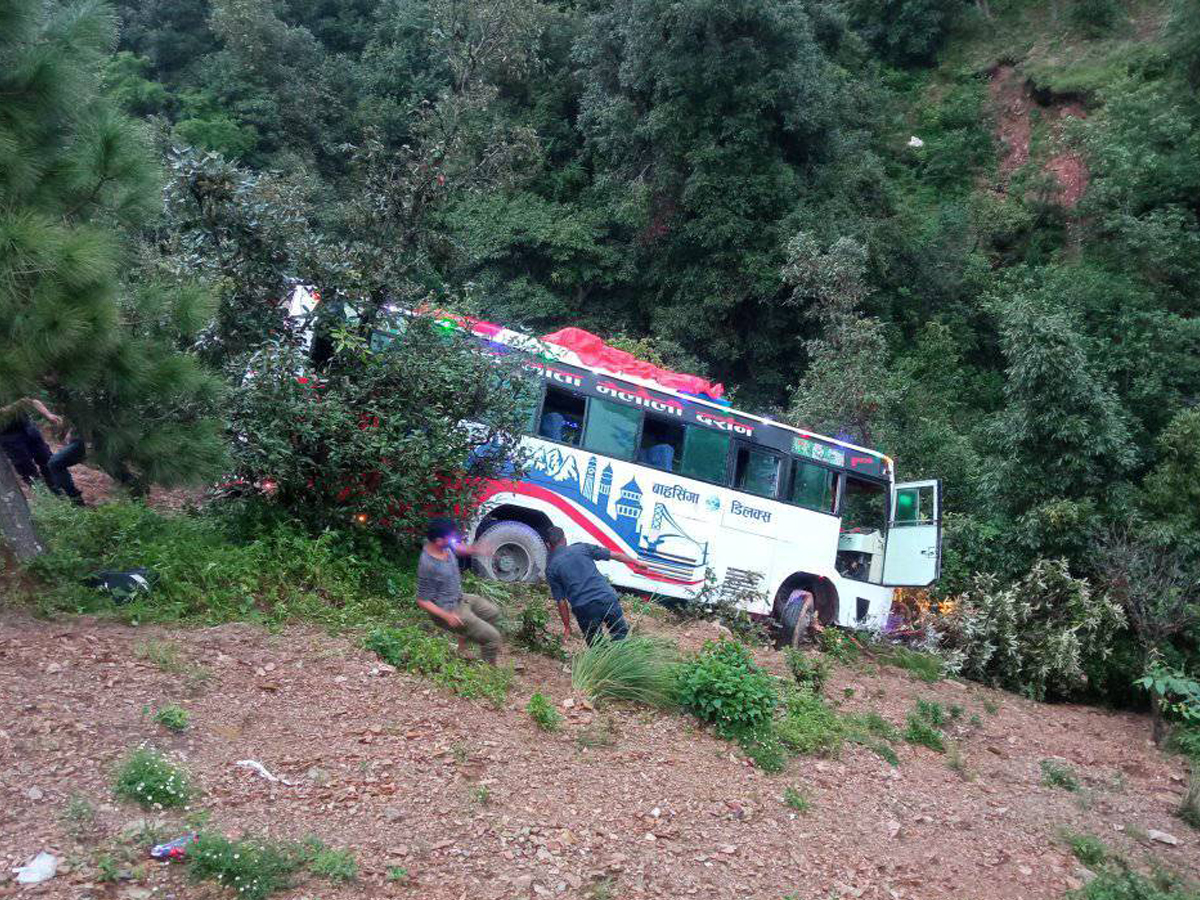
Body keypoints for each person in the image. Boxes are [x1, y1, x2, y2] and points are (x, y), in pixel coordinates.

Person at [415, 518, 502, 664]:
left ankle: (462, 648)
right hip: (448, 610)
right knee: (493, 638)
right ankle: (488, 673)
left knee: (493, 613)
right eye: (450, 538)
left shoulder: (444, 545)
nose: (454, 540)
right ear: (438, 541)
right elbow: (422, 600)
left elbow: (458, 547)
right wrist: (447, 616)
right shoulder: (428, 564)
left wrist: (477, 549)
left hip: (460, 598)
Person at [544, 526, 640, 645]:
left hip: (585, 608)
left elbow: (561, 602)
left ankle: (602, 662)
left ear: (548, 545)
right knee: (620, 637)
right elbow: (615, 555)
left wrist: (567, 626)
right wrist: (636, 562)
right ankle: (621, 660)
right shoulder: (582, 548)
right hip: (607, 599)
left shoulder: (551, 568)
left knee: (596, 646)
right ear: (564, 539)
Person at [0, 398, 62, 490]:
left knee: (47, 459)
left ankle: (57, 491)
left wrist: (48, 414)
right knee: (26, 468)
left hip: (27, 428)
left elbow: (32, 400)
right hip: (8, 436)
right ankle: (43, 495)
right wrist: (16, 405)